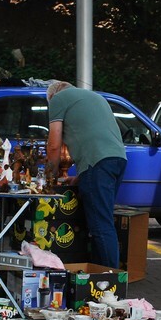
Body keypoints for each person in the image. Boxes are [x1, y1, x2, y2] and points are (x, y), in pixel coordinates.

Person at [45, 81, 127, 269]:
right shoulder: (96, 97)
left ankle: (110, 282)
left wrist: (49, 177)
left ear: (52, 96)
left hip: (98, 164)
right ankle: (98, 275)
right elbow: (98, 138)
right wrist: (81, 177)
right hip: (118, 160)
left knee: (101, 226)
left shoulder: (57, 99)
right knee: (101, 222)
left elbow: (54, 144)